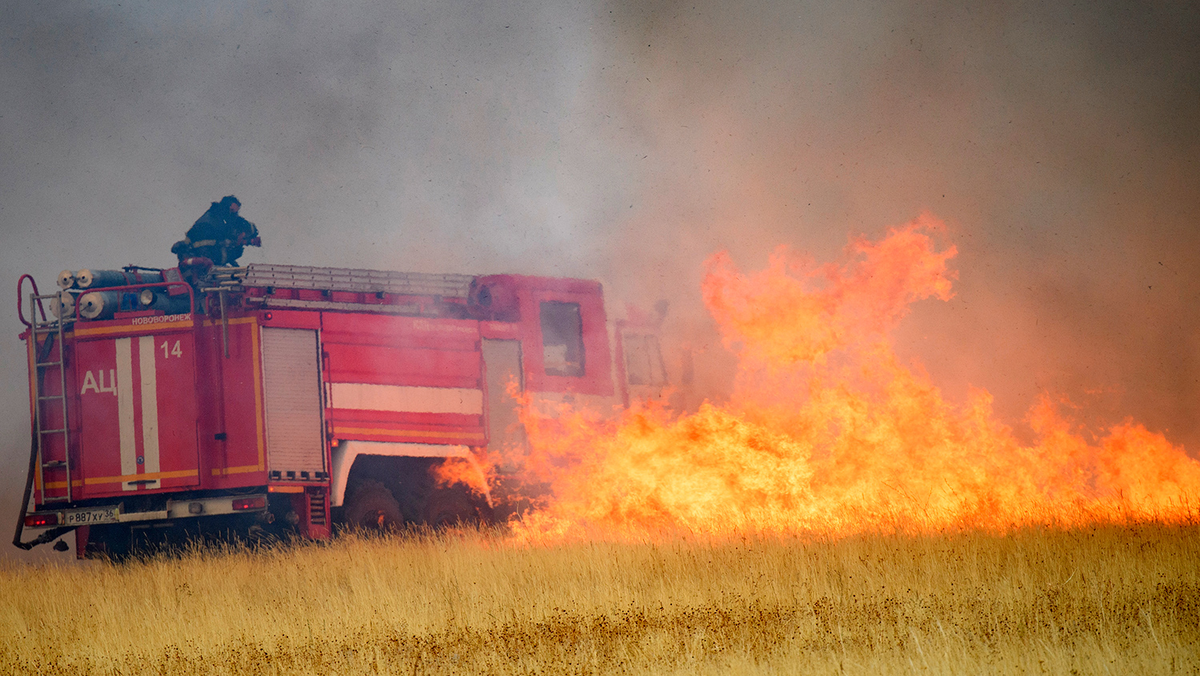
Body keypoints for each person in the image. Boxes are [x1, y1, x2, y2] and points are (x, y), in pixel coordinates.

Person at [172, 195, 261, 265]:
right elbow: (209, 251)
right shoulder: (214, 222)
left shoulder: (218, 217)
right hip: (201, 258)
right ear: (226, 207)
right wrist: (237, 247)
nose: (234, 214)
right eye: (232, 211)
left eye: (236, 212)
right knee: (236, 252)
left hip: (198, 256)